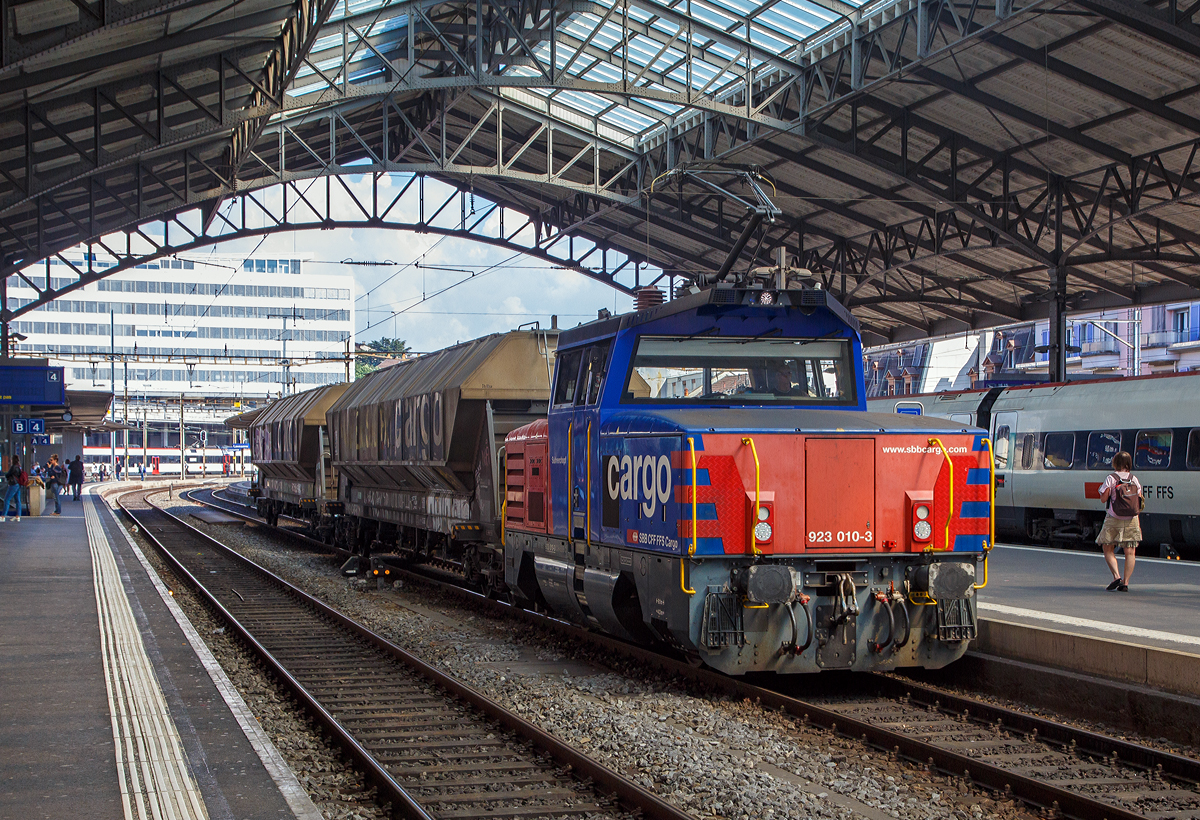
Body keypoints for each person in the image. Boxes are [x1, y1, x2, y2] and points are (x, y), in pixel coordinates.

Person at [1098, 450, 1144, 592]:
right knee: (1130, 552)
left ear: (1115, 463)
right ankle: (1125, 583)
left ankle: (1116, 576)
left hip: (1114, 518)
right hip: (1132, 519)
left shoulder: (1111, 478)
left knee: (1107, 547)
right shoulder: (1134, 479)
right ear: (1128, 464)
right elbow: (1139, 499)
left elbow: (1103, 499)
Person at [2, 457, 23, 522]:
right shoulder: (19, 467)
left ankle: (3, 516)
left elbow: (8, 475)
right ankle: (18, 516)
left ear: (13, 460)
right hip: (18, 485)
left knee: (7, 499)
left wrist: (6, 474)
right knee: (18, 501)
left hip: (13, 484)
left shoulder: (13, 467)